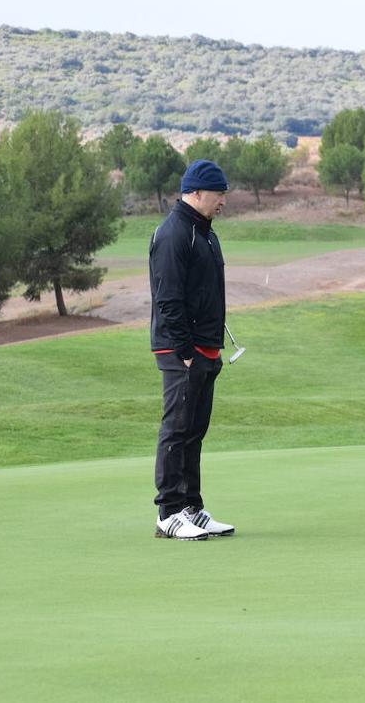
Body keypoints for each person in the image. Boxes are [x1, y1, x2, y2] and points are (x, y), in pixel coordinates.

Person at [148, 159, 237, 540]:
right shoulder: (174, 233)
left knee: (195, 430)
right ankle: (169, 512)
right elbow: (168, 299)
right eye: (218, 194)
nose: (223, 202)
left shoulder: (205, 233)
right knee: (177, 428)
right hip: (181, 350)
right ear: (196, 193)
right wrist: (186, 351)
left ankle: (192, 508)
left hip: (206, 347)